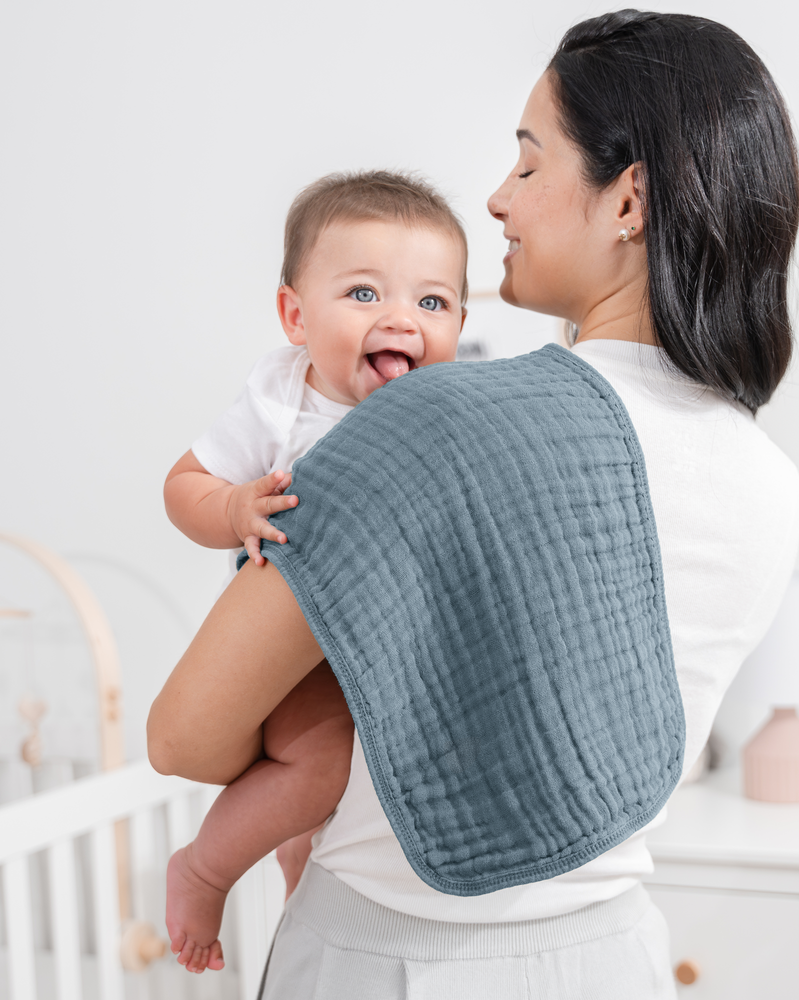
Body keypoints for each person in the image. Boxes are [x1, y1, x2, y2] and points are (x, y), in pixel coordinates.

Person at [148, 11, 799, 998]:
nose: (497, 198)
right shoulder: (769, 479)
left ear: (628, 200)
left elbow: (183, 735)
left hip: (387, 959)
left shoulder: (430, 421)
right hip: (612, 958)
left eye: (530, 164)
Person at [159, 170, 468, 972]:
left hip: (390, 644)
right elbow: (183, 486)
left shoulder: (448, 409)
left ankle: (301, 890)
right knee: (317, 770)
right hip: (302, 644)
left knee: (339, 814)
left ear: (462, 324)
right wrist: (234, 507)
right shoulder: (283, 403)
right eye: (364, 293)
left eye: (432, 302)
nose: (401, 318)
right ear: (296, 316)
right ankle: (204, 870)